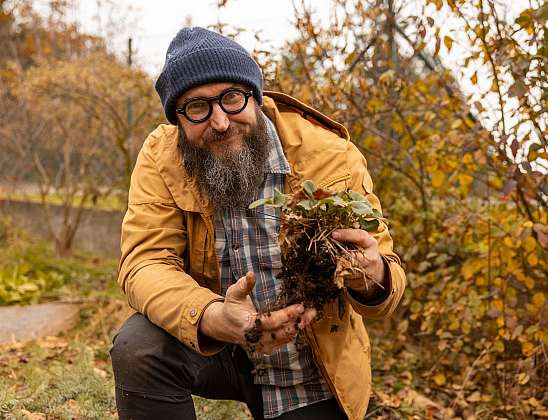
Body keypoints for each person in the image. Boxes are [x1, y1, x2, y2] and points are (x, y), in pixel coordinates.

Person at [110, 27, 406, 420]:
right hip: (222, 344)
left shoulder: (328, 155)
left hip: (308, 369)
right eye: (197, 107)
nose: (220, 122)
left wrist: (373, 276)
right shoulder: (162, 159)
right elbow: (144, 263)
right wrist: (214, 316)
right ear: (178, 118)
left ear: (256, 95)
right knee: (139, 347)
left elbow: (388, 282)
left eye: (232, 98)